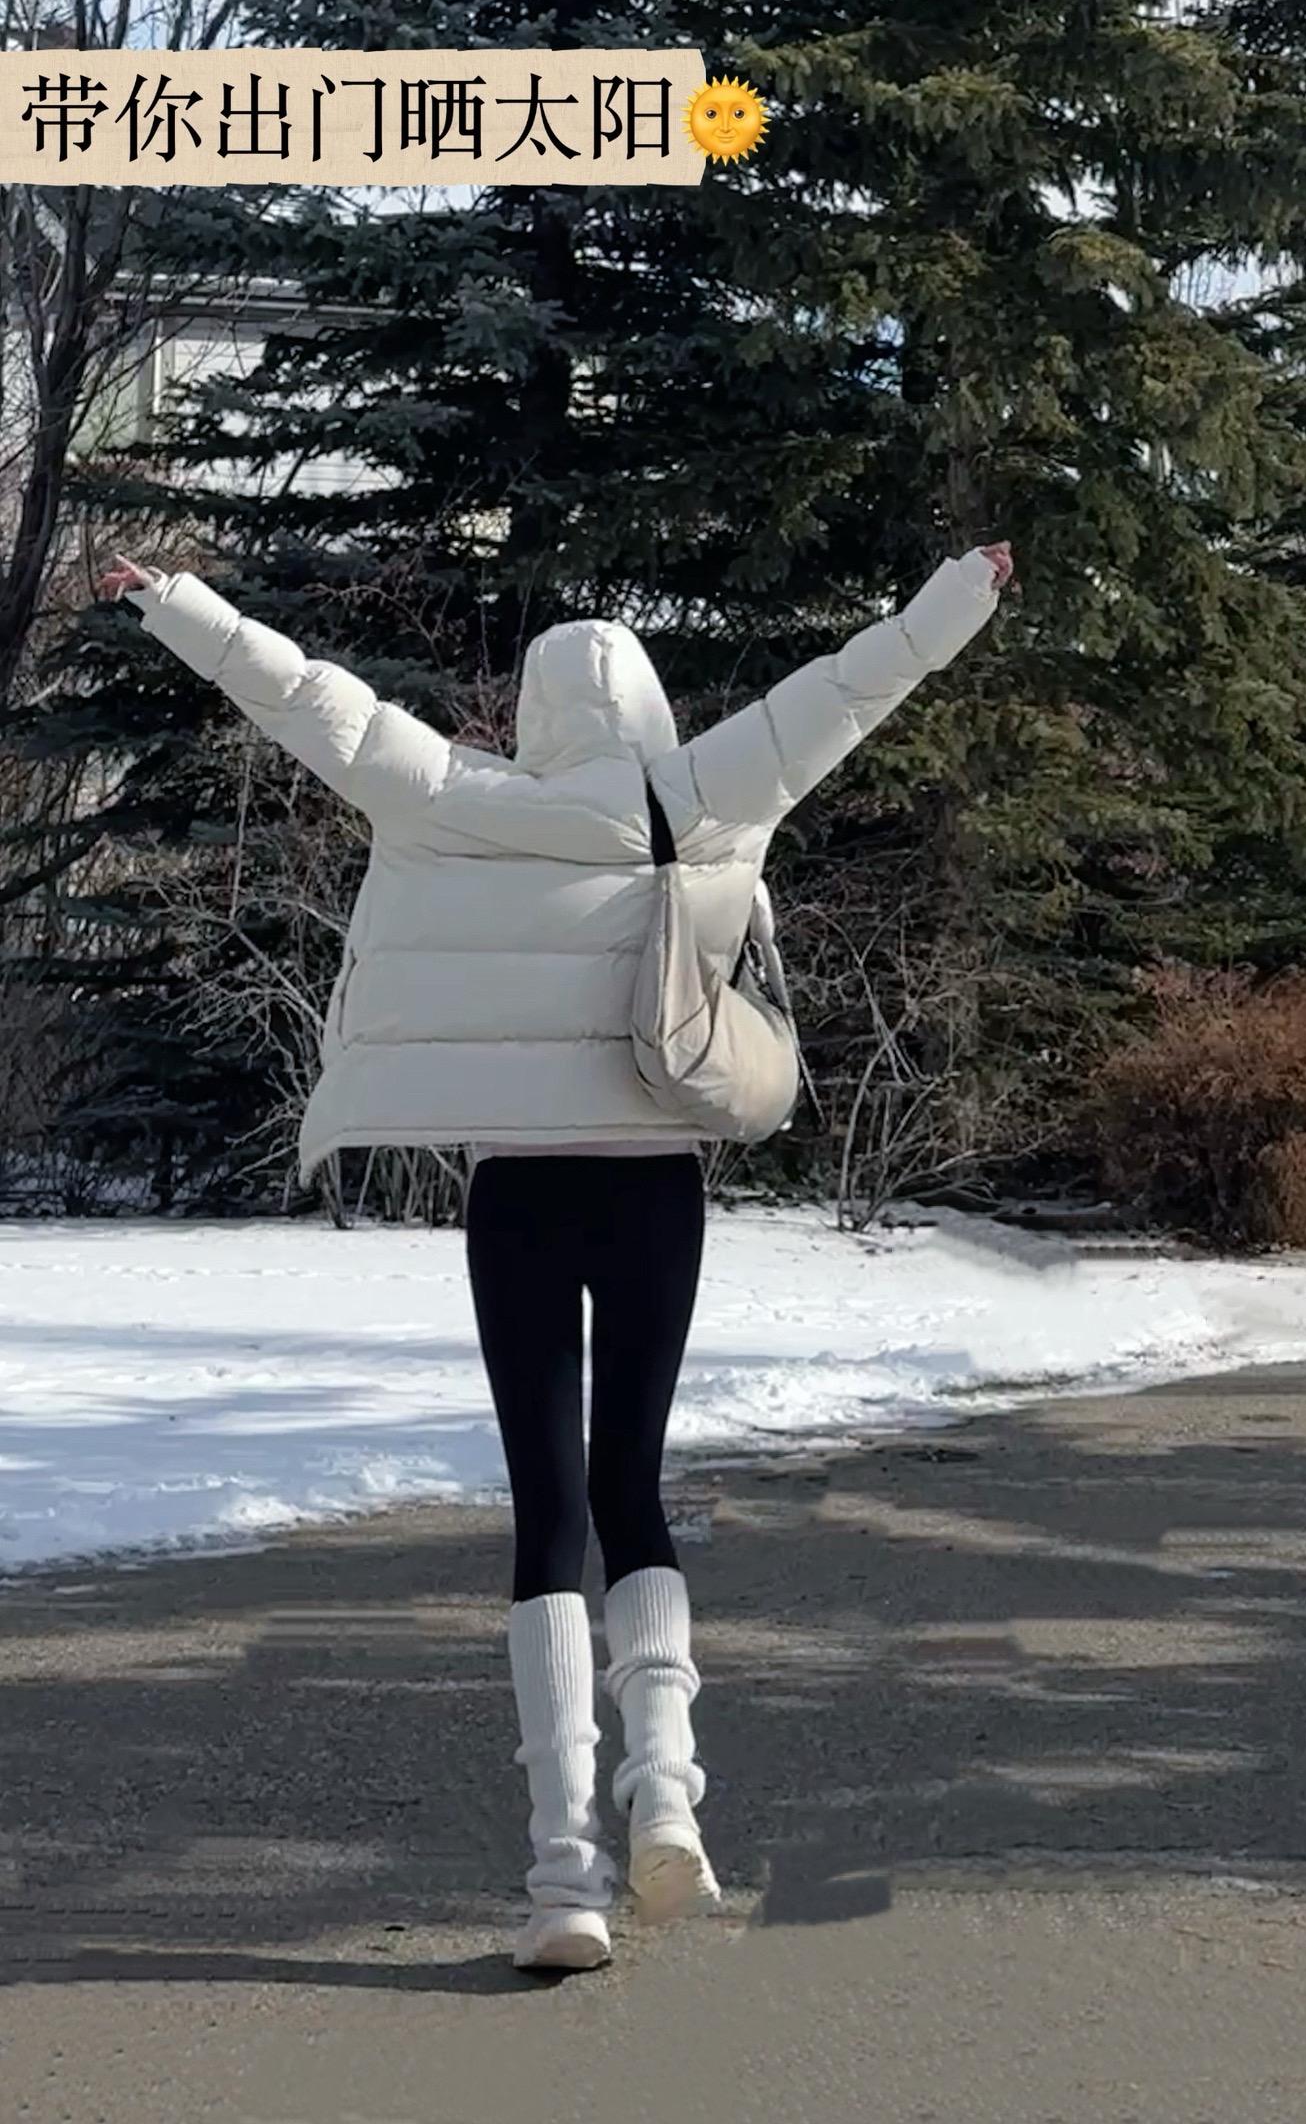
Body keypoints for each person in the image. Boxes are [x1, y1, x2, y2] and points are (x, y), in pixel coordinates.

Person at [95, 539, 1013, 1972]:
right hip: (653, 1191)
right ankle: (669, 1795)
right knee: (632, 1487)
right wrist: (955, 596)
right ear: (646, 709)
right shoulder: (703, 788)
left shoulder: (452, 796)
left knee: (547, 1512)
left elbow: (304, 694)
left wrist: (171, 601)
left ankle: (561, 1880)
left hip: (516, 1196)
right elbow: (852, 685)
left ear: (529, 715)